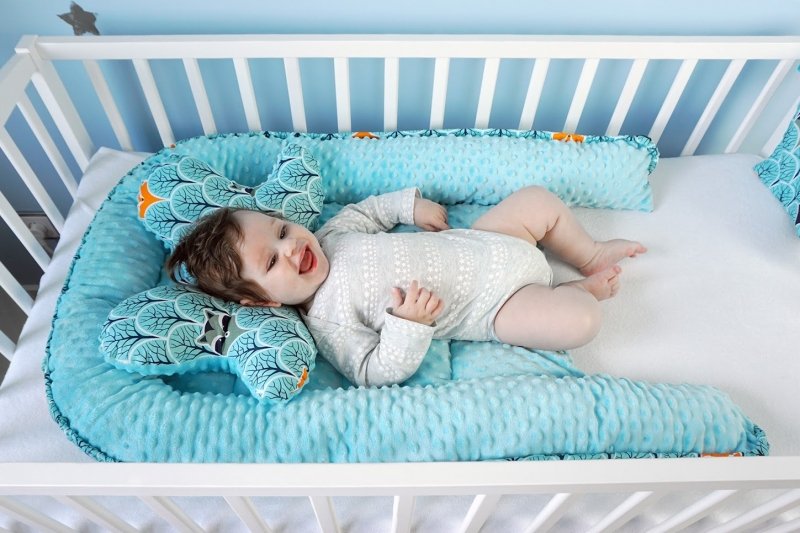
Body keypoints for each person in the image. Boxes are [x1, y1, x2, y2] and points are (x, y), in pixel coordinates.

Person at [167, 186, 646, 387]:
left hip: (488, 239)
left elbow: (370, 211)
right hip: (497, 305)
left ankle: (589, 254)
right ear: (262, 300)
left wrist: (408, 207)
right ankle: (579, 291)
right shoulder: (328, 322)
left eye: (282, 230)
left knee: (537, 199)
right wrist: (407, 326)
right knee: (581, 321)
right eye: (273, 260)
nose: (292, 247)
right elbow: (373, 371)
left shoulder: (332, 234)